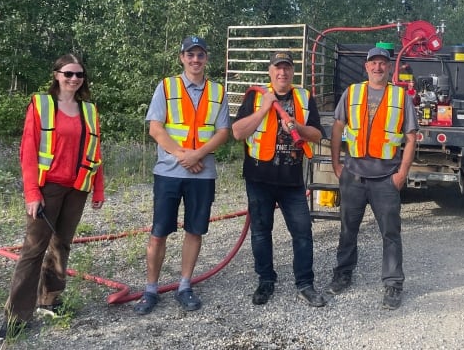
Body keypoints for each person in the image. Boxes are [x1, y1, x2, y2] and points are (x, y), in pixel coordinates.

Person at [0, 53, 105, 341]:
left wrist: (98, 189)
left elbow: (96, 152)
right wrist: (32, 193)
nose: (73, 79)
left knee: (62, 244)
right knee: (33, 251)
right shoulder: (41, 105)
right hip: (48, 189)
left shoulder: (89, 110)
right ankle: (16, 318)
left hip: (78, 188)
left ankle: (50, 300)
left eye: (79, 74)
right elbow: (28, 152)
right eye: (68, 73)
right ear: (56, 75)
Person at [134, 36, 230, 315]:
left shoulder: (218, 91)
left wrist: (196, 156)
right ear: (182, 58)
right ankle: (150, 290)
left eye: (200, 55)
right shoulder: (166, 87)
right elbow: (156, 129)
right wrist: (183, 156)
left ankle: (184, 285)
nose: (195, 60)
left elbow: (223, 132)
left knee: (195, 230)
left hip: (202, 174)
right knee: (159, 232)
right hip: (169, 172)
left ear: (206, 59)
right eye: (190, 55)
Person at [231, 51, 327, 307]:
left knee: (303, 232)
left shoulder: (304, 97)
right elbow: (238, 132)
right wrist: (264, 109)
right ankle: (266, 280)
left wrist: (298, 127)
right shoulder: (256, 96)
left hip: (291, 180)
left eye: (286, 68)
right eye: (277, 68)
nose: (282, 72)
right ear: (270, 72)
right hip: (259, 177)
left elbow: (317, 135)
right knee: (261, 233)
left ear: (293, 72)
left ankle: (305, 284)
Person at [327, 47, 417, 310]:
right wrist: (336, 163)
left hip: (386, 178)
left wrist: (402, 173)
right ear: (366, 68)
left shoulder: (401, 97)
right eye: (373, 63)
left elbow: (411, 137)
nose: (378, 67)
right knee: (347, 229)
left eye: (382, 64)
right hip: (353, 176)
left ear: (390, 68)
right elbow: (337, 127)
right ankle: (343, 273)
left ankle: (393, 283)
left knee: (390, 233)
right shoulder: (352, 93)